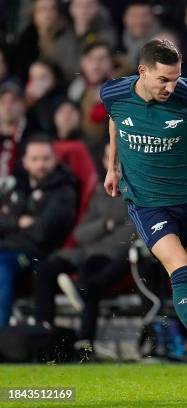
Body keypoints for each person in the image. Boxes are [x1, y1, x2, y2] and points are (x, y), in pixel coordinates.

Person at [100, 38, 187, 383]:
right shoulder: (113, 94)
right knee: (180, 272)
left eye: (175, 79)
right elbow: (114, 120)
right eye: (163, 79)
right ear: (142, 71)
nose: (169, 86)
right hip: (146, 203)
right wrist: (112, 165)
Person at [33, 144, 133, 359]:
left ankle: (84, 343)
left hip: (111, 255)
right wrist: (105, 225)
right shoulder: (100, 190)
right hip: (86, 250)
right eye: (110, 158)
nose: (115, 164)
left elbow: (130, 233)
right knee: (46, 269)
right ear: (105, 161)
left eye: (119, 158)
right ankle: (44, 334)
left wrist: (99, 232)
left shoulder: (137, 191)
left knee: (90, 277)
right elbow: (80, 232)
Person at [0, 136, 78, 326]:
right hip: (9, 247)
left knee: (2, 264)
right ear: (25, 162)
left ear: (54, 159)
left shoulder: (64, 190)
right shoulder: (18, 186)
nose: (40, 164)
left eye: (45, 158)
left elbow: (42, 233)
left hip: (37, 254)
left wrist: (11, 223)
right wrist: (18, 221)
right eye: (35, 159)